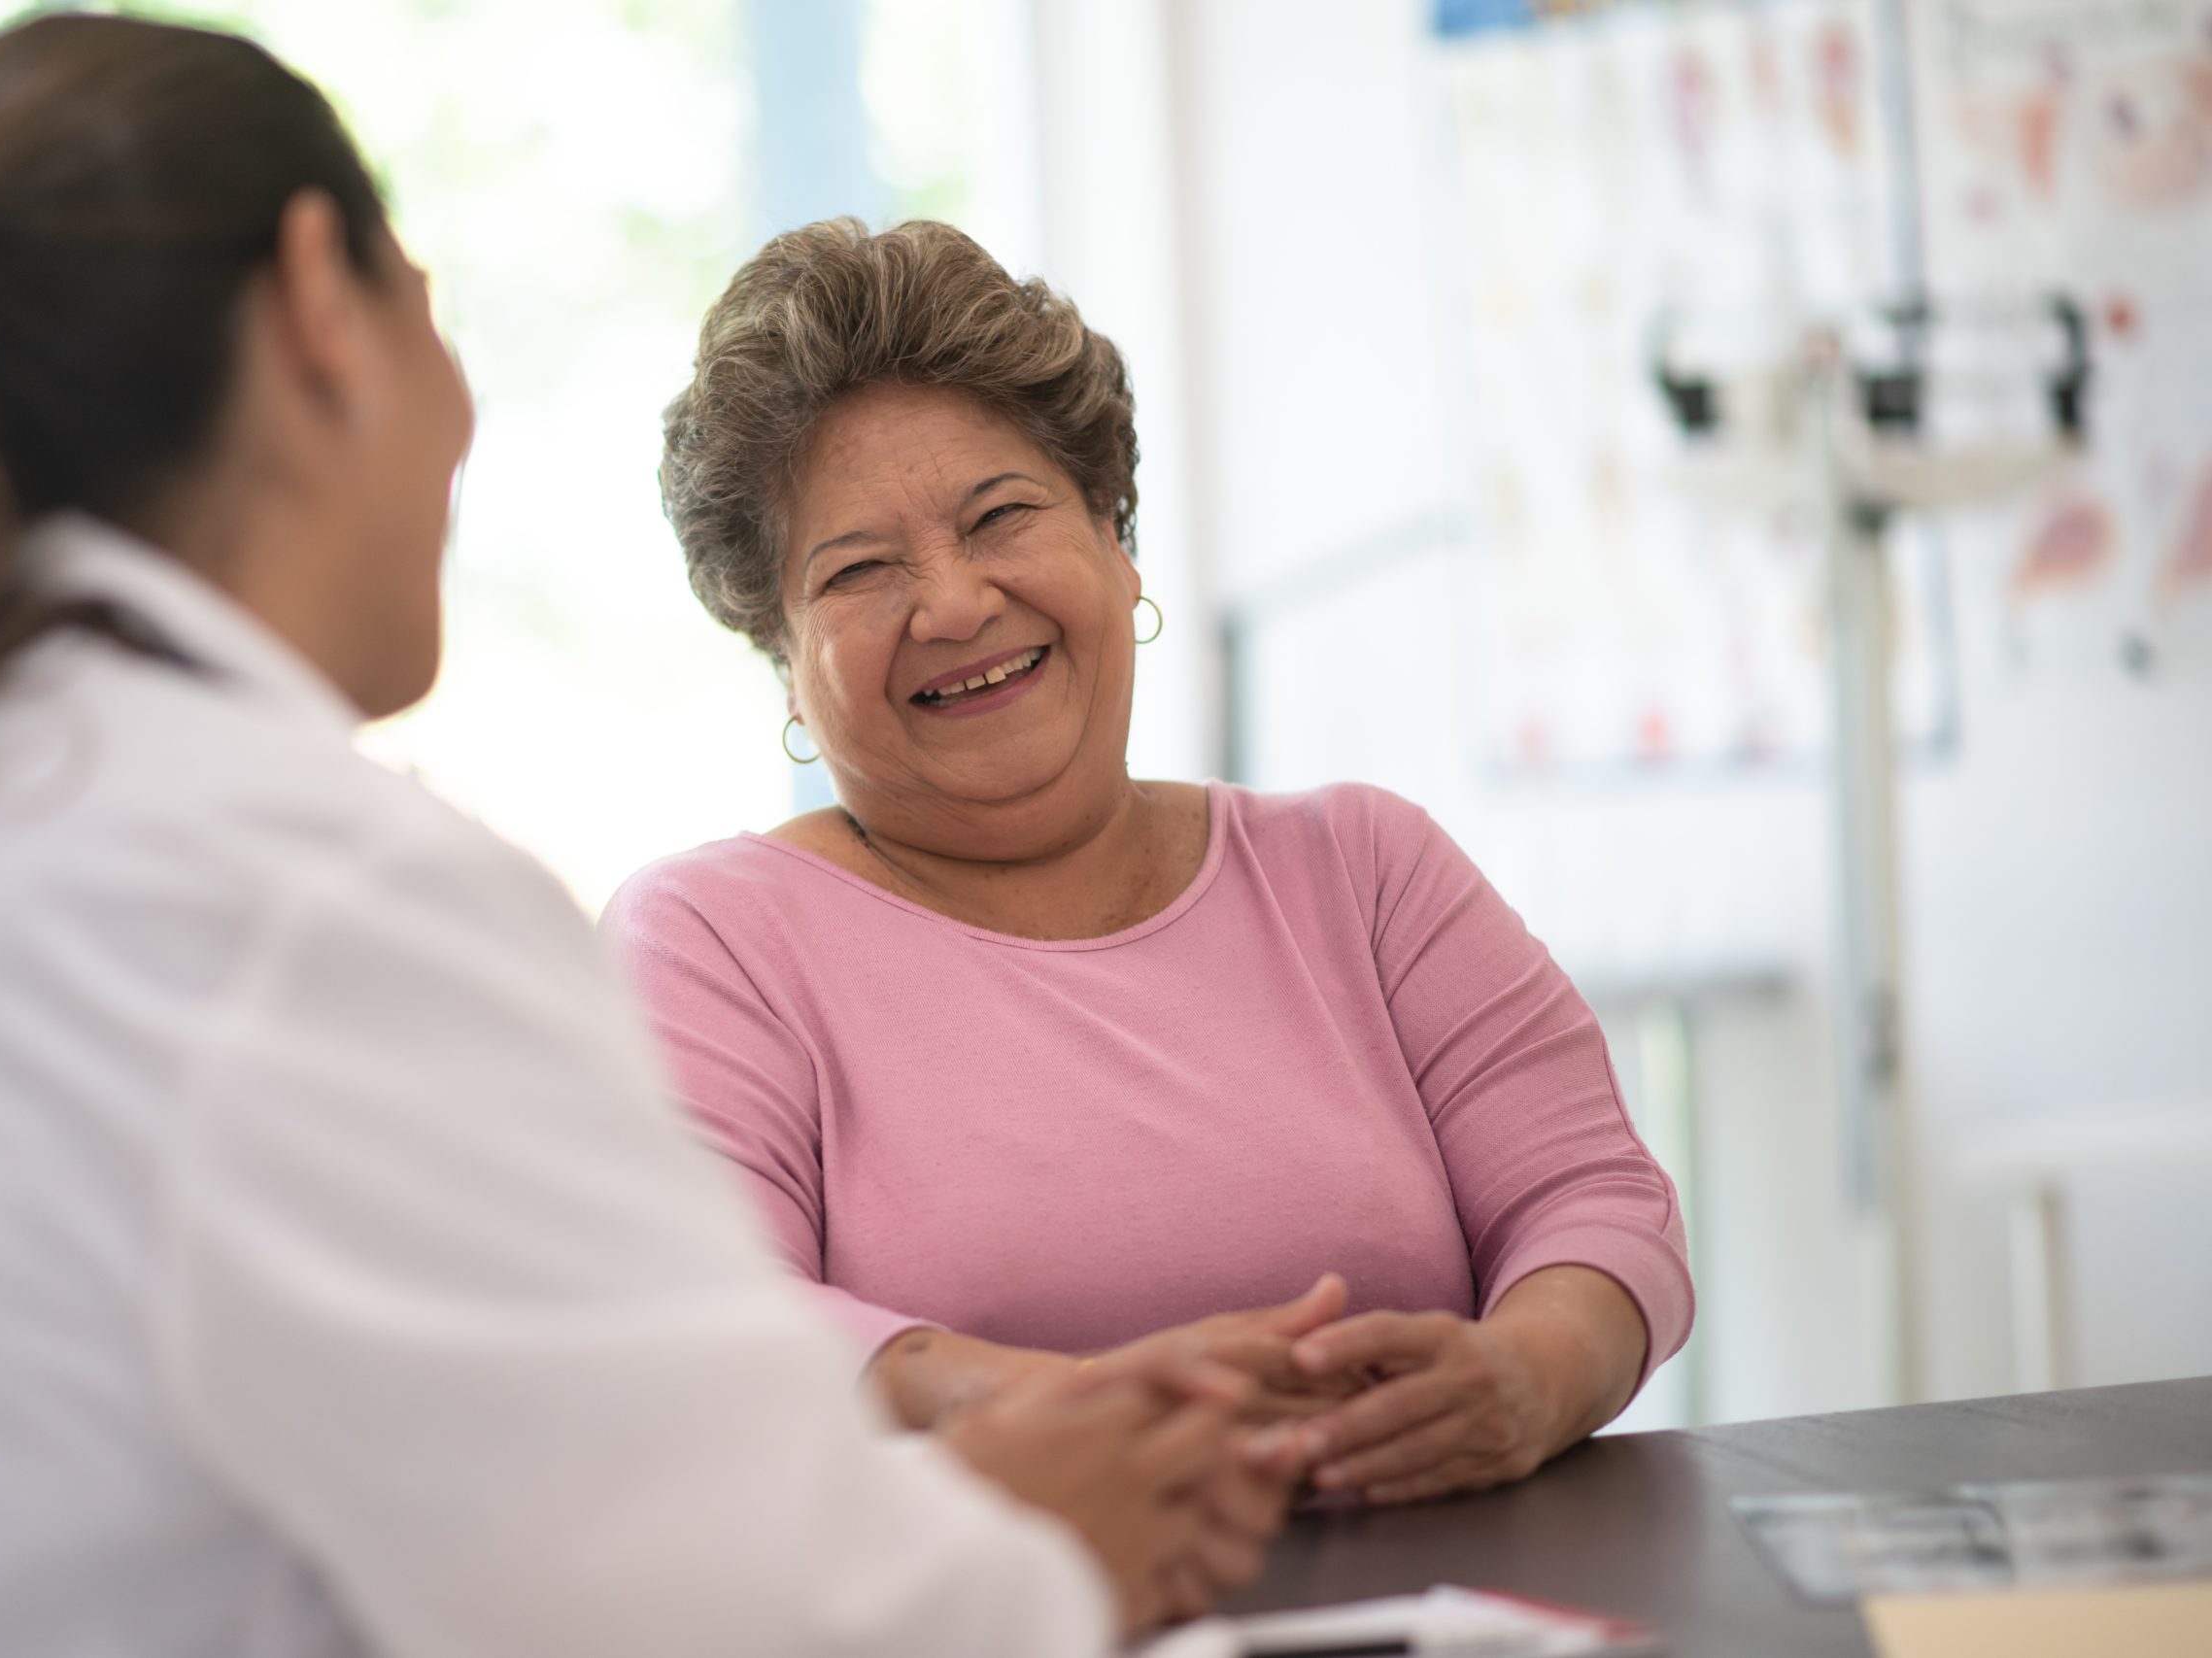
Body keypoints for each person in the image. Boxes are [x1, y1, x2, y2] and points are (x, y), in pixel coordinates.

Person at [0, 20, 1303, 1657]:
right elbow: (717, 1605)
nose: (464, 420)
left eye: (1001, 518)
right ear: (322, 303)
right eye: (430, 305)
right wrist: (1040, 1543)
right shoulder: (294, 896)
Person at [606, 218, 1695, 1509]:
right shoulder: (711, 939)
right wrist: (1029, 1409)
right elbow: (705, 1320)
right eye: (859, 570)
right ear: (784, 657)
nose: (952, 604)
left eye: (999, 516)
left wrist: (1527, 1377)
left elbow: (1596, 1202)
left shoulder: (1365, 868)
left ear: (1116, 544)